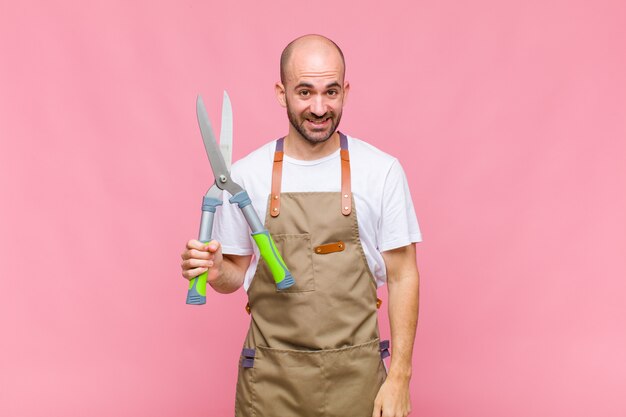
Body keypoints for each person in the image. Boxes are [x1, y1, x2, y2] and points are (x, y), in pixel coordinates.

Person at [181, 34, 421, 417]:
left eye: (331, 92)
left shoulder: (382, 171)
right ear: (281, 92)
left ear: (346, 90)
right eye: (305, 92)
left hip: (358, 383)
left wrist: (400, 378)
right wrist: (212, 270)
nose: (319, 107)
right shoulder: (247, 174)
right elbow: (233, 277)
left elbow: (403, 275)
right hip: (271, 385)